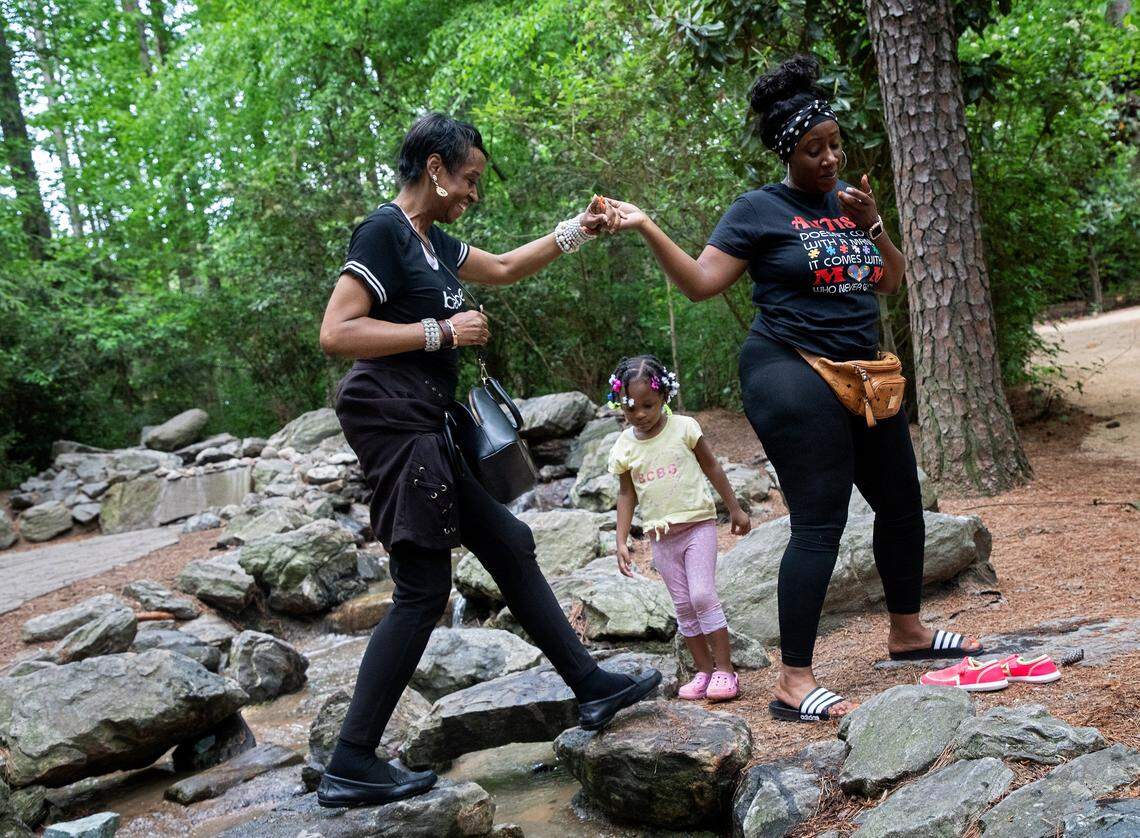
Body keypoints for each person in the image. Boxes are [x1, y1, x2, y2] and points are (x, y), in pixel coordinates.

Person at [605, 56, 982, 723]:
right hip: (787, 368)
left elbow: (891, 281)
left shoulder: (848, 205)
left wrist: (872, 224)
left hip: (862, 370)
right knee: (820, 522)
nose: (830, 158)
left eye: (836, 144)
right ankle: (793, 679)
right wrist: (645, 225)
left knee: (900, 504)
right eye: (815, 149)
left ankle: (906, 631)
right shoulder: (758, 209)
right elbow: (698, 284)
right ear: (790, 152)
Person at [317, 113, 661, 807]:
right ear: (436, 169)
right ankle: (352, 760)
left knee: (510, 539)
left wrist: (577, 231)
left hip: (429, 425)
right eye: (468, 179)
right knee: (421, 592)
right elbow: (337, 331)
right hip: (394, 423)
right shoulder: (383, 231)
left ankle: (591, 687)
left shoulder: (431, 240)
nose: (474, 192)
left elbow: (502, 267)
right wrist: (441, 331)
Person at [606, 354, 751, 701]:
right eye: (630, 407)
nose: (639, 414)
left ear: (664, 397)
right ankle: (703, 671)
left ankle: (726, 671)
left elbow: (713, 467)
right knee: (683, 606)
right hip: (660, 537)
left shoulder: (684, 428)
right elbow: (627, 495)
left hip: (697, 527)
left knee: (702, 596)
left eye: (647, 405)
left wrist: (735, 509)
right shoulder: (625, 445)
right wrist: (621, 539)